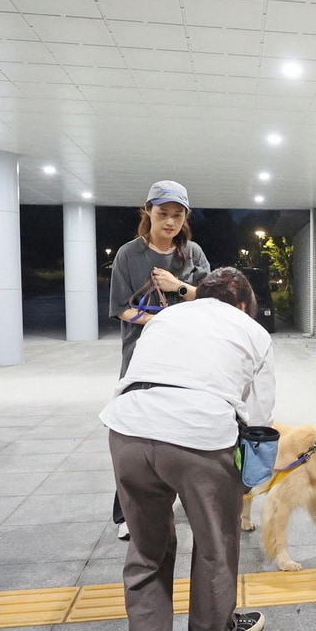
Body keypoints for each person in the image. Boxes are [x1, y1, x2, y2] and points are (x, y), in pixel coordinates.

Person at [99, 267, 272, 631]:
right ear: (246, 305)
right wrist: (251, 477)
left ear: (197, 295)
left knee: (146, 546)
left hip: (128, 430)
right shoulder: (252, 330)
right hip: (201, 436)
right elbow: (261, 415)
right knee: (216, 540)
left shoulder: (167, 318)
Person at [106, 179, 210, 540]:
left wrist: (177, 286)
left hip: (186, 362)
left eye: (177, 215)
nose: (170, 222)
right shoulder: (128, 254)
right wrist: (164, 320)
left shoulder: (192, 253)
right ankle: (125, 514)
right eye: (162, 213)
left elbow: (211, 298)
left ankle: (186, 503)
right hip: (141, 360)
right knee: (133, 439)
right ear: (147, 212)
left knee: (182, 436)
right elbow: (121, 309)